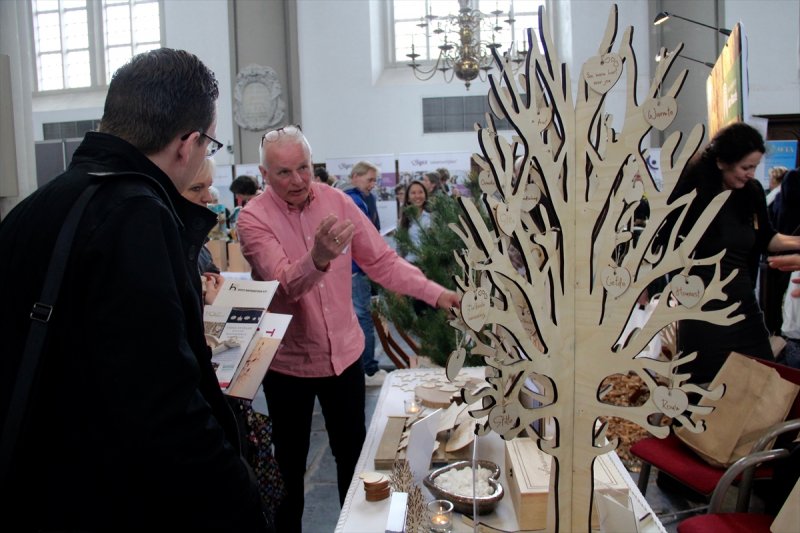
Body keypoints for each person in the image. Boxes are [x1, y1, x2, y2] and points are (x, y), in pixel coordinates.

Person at [0, 49, 270, 530]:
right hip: (107, 497)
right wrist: (240, 496)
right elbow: (163, 406)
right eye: (209, 144)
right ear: (187, 144)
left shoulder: (36, 205)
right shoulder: (136, 215)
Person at [237, 126, 460, 532]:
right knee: (289, 466)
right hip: (288, 366)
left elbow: (382, 263)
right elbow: (286, 284)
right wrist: (318, 258)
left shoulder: (338, 202)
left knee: (354, 461)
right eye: (284, 173)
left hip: (344, 358)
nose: (298, 181)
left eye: (303, 168)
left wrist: (437, 294)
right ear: (263, 174)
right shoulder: (253, 219)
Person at [668, 123, 800, 384]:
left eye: (754, 167)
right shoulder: (693, 194)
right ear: (721, 162)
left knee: (761, 381)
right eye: (745, 167)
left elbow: (767, 239)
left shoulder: (750, 193)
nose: (751, 174)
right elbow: (665, 241)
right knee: (707, 387)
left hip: (743, 305)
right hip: (701, 309)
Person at [343, 161, 385, 385]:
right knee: (363, 318)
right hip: (356, 270)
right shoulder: (355, 202)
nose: (373, 184)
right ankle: (368, 369)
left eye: (374, 180)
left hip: (352, 269)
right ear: (355, 177)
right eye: (369, 179)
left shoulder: (353, 198)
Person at [399, 180, 431, 264]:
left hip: (431, 265)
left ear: (425, 195)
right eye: (413, 193)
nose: (417, 196)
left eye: (421, 192)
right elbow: (400, 246)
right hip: (410, 264)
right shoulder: (404, 219)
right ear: (408, 198)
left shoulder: (433, 217)